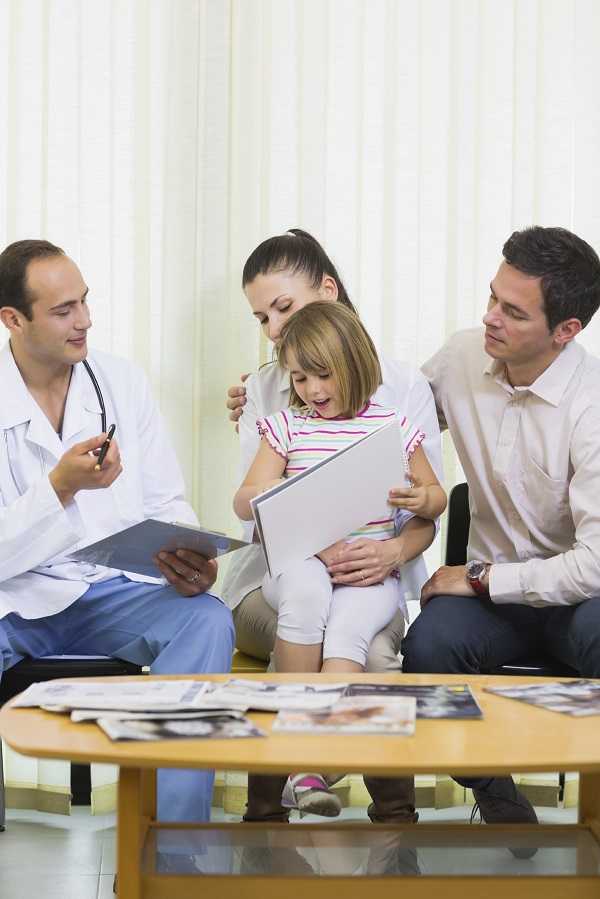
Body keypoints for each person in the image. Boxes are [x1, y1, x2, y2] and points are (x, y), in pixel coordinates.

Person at [0, 239, 235, 824]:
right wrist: (59, 486)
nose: (84, 321)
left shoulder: (120, 383)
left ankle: (177, 843)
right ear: (13, 319)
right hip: (10, 601)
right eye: (62, 311)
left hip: (105, 593)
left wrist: (188, 559)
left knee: (208, 619)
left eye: (84, 302)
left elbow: (165, 500)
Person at [223, 228, 443, 825]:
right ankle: (277, 803)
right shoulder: (269, 391)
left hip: (372, 575)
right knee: (315, 613)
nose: (273, 331)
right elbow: (254, 510)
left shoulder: (403, 394)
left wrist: (391, 552)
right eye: (261, 317)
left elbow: (426, 511)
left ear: (329, 290)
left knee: (364, 644)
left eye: (285, 308)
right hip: (275, 576)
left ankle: (380, 815)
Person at [401, 225, 600, 833]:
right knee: (428, 650)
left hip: (581, 596)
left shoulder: (592, 406)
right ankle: (492, 785)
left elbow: (594, 564)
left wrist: (483, 577)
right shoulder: (463, 355)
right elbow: (384, 420)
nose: (490, 319)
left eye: (512, 312)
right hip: (492, 607)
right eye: (492, 298)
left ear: (566, 331)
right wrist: (274, 398)